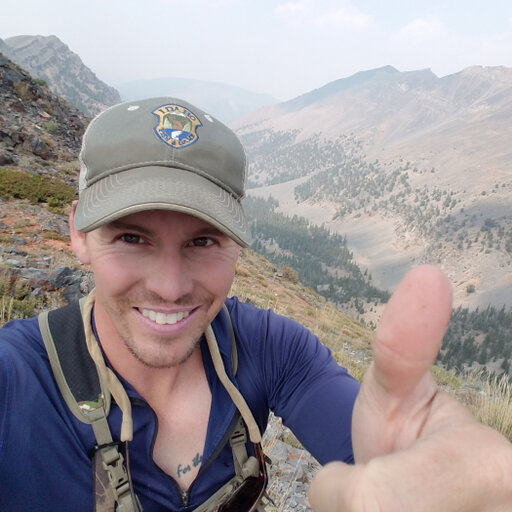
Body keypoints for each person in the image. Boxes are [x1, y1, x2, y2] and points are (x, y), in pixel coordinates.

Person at [0, 97, 510, 512]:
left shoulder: (269, 348)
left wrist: (439, 477)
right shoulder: (16, 380)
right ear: (78, 234)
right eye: (132, 238)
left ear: (238, 246)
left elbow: (372, 444)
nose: (172, 287)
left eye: (203, 242)